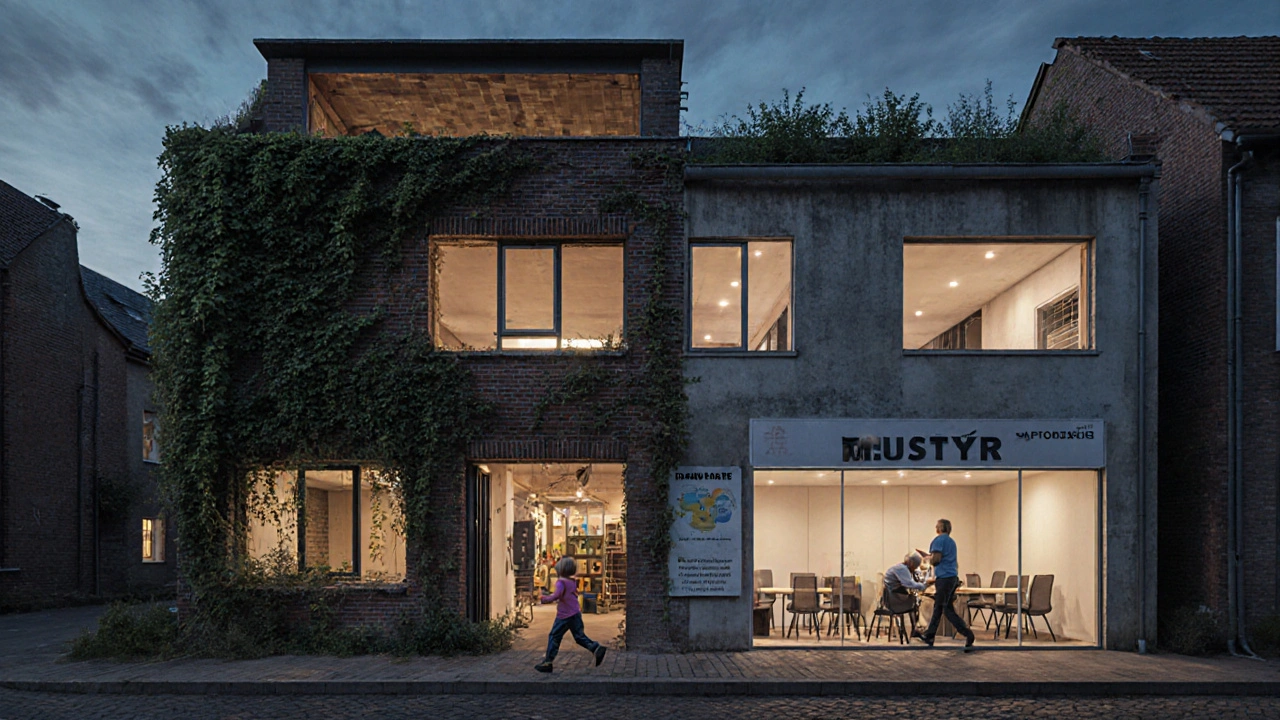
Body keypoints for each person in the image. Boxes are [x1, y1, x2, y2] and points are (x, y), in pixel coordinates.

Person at [534, 556, 607, 673]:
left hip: (564, 615)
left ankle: (548, 662)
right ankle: (596, 648)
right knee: (579, 636)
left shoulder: (561, 582)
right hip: (575, 612)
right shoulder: (572, 581)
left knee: (554, 636)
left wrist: (543, 598)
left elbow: (556, 596)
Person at [913, 518, 976, 652]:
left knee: (940, 607)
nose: (935, 528)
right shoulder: (952, 542)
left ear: (940, 528)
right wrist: (930, 557)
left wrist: (928, 559)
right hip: (952, 577)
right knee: (946, 608)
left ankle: (931, 635)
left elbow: (936, 560)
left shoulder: (938, 540)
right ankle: (966, 634)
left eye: (937, 526)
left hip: (944, 578)